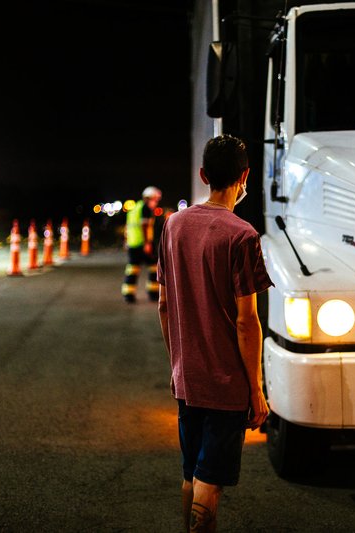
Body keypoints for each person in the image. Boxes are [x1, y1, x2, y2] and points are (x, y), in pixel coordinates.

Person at [157, 134, 273, 532]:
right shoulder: (242, 236)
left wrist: (179, 361)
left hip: (187, 379)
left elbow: (164, 304)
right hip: (224, 387)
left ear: (204, 174)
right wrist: (255, 390)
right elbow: (247, 321)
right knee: (211, 483)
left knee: (191, 473)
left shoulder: (173, 226)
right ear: (245, 177)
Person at [122, 186, 162, 303]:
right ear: (149, 198)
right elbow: (145, 226)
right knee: (154, 268)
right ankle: (153, 294)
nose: (156, 202)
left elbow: (128, 226)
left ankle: (128, 294)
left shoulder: (135, 207)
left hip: (133, 243)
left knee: (133, 269)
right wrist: (147, 243)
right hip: (142, 244)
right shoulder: (145, 208)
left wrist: (126, 241)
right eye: (155, 199)